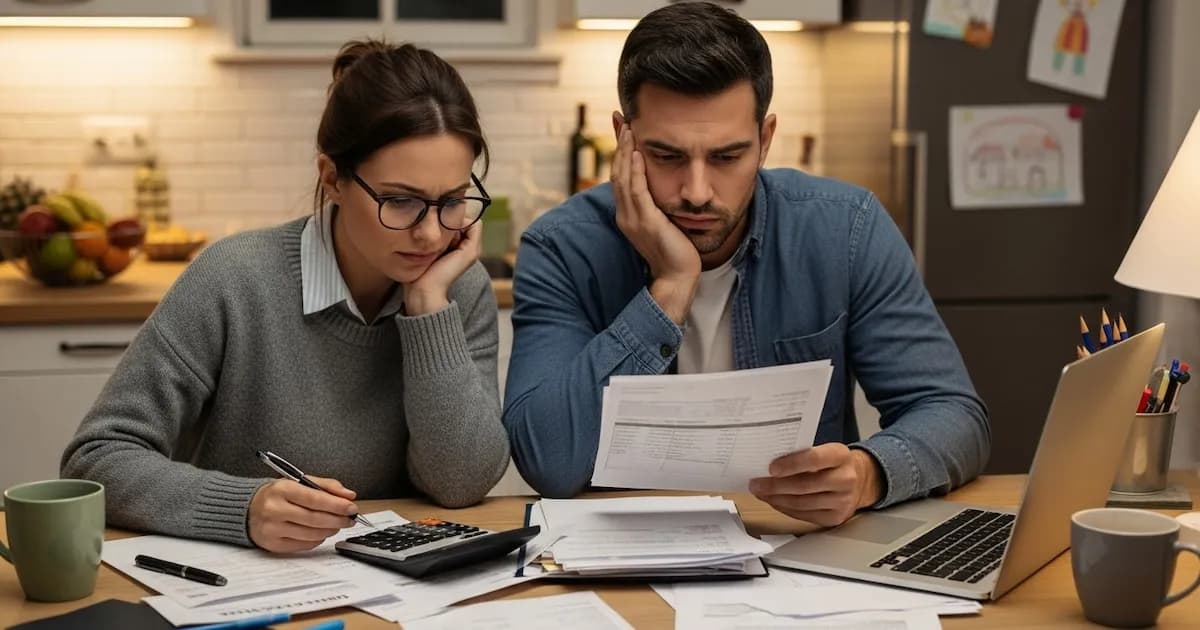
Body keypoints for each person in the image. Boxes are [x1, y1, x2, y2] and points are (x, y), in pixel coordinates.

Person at [503, 2, 989, 527]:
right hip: (620, 554)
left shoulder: (845, 229)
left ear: (765, 139)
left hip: (796, 549)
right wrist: (670, 286)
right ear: (625, 139)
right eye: (666, 156)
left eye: (726, 157)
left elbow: (955, 415)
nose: (696, 191)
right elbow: (548, 461)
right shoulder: (561, 248)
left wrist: (869, 473)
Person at [61, 40, 509, 552]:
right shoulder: (233, 279)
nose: (430, 234)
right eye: (400, 201)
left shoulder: (456, 287)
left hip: (396, 583)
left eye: (452, 201)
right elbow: (96, 458)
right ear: (332, 179)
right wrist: (242, 508)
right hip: (244, 580)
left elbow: (460, 483)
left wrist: (428, 307)